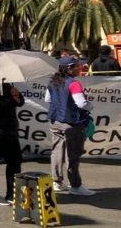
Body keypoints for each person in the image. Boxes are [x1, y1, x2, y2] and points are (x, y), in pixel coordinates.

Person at [46, 56, 95, 195]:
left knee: (56, 151)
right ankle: (75, 186)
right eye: (77, 66)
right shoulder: (74, 83)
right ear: (69, 68)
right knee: (73, 154)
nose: (80, 68)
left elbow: (47, 99)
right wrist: (90, 106)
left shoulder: (52, 81)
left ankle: (57, 182)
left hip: (55, 121)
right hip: (71, 123)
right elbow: (81, 103)